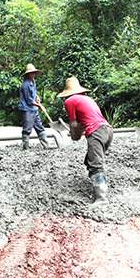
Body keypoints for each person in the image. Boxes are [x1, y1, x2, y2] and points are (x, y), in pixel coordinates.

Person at [57, 76, 113, 206]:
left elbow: (74, 124)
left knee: (95, 164)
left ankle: (102, 198)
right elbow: (85, 122)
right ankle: (97, 189)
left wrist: (73, 135)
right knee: (90, 160)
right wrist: (77, 132)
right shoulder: (87, 99)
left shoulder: (70, 101)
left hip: (96, 132)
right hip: (108, 131)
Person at [18, 63, 49, 150]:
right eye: (32, 73)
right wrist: (39, 105)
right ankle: (26, 147)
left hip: (34, 109)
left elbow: (34, 94)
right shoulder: (25, 85)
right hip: (27, 109)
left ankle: (46, 145)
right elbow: (29, 100)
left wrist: (37, 97)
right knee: (27, 128)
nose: (33, 74)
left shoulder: (33, 82)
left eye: (34, 73)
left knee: (39, 127)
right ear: (28, 74)